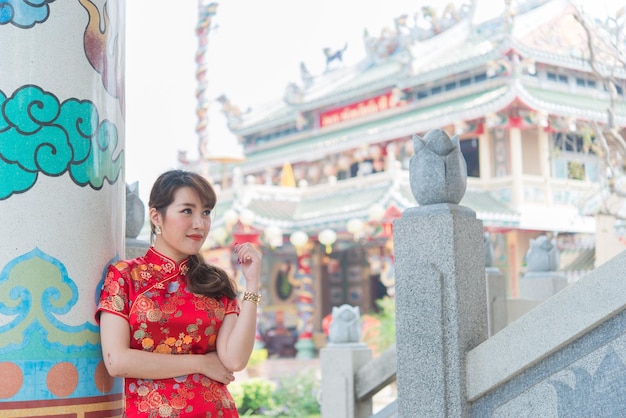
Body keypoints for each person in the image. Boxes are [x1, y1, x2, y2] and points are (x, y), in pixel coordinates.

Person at [96, 169, 262, 417]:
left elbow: (235, 360)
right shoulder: (125, 276)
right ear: (156, 217)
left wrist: (252, 284)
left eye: (205, 212)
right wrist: (201, 363)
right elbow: (117, 361)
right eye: (187, 211)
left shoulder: (216, 283)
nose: (199, 224)